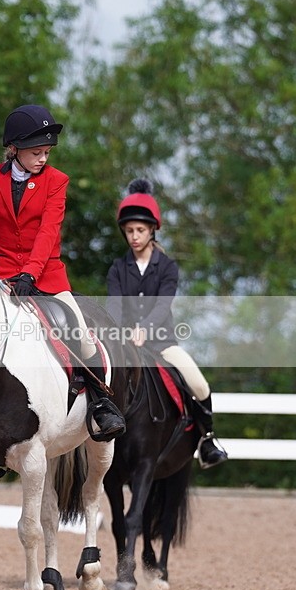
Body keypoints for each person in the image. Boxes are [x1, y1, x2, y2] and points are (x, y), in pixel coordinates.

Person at [0, 103, 125, 440]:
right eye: (36, 152)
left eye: (46, 152)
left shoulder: (57, 181)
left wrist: (30, 274)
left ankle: (101, 402)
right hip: (1, 276)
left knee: (80, 334)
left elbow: (48, 233)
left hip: (46, 277)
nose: (43, 158)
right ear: (13, 149)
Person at [106, 178, 228, 468]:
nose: (134, 236)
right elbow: (113, 305)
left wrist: (145, 329)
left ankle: (207, 440)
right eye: (129, 231)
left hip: (161, 344)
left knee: (199, 383)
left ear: (152, 231)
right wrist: (118, 332)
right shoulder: (118, 268)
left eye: (140, 230)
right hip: (125, 345)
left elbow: (163, 304)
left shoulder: (167, 267)